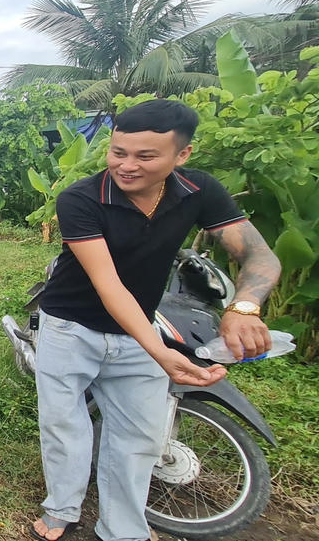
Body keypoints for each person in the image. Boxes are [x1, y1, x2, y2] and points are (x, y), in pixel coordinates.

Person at [31, 99, 282, 541]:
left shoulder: (198, 190)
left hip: (140, 331)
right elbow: (108, 286)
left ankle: (123, 529)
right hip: (71, 328)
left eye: (145, 157)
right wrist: (162, 352)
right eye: (118, 152)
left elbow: (259, 255)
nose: (126, 166)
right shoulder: (82, 198)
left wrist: (243, 308)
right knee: (65, 425)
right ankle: (61, 508)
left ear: (181, 155)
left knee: (138, 437)